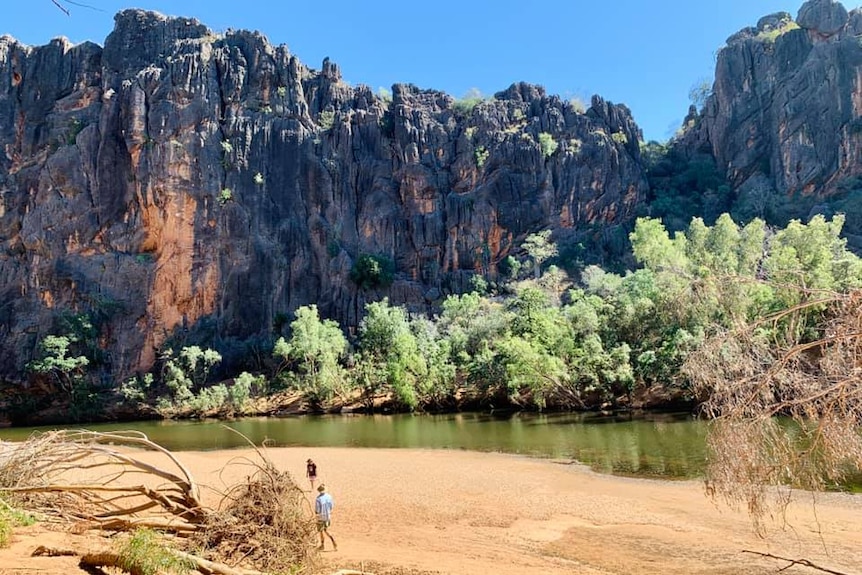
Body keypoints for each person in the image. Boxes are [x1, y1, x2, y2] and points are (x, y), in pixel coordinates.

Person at [315, 484, 337, 551]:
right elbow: (331, 506)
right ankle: (334, 542)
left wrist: (317, 515)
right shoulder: (329, 497)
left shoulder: (318, 499)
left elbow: (317, 510)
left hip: (321, 516)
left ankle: (322, 545)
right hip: (328, 516)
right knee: (327, 530)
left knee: (321, 531)